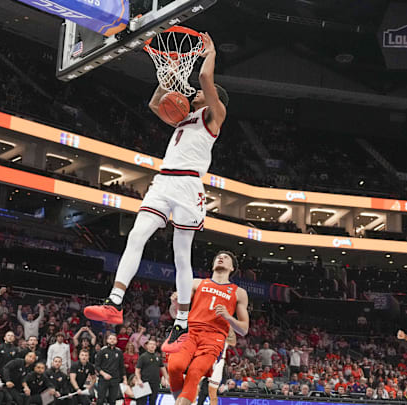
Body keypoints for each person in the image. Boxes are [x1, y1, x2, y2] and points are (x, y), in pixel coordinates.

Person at [84, 31, 230, 354]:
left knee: (181, 254)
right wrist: (171, 72)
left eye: (201, 92)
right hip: (163, 182)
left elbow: (206, 76)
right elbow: (154, 103)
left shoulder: (213, 117)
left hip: (189, 185)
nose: (194, 93)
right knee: (137, 235)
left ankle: (180, 325)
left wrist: (210, 53)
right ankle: (115, 302)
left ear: (212, 97)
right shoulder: (184, 116)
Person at [167, 251, 249, 405]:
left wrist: (228, 317)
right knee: (174, 367)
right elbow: (174, 314)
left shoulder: (239, 293)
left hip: (214, 337)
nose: (221, 258)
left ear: (232, 268)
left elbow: (244, 329)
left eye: (226, 258)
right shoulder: (196, 282)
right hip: (190, 330)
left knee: (195, 373)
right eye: (218, 257)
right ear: (213, 265)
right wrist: (174, 304)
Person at [94, 333, 127, 405]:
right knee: (100, 399)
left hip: (115, 379)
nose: (112, 340)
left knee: (113, 400)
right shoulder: (102, 351)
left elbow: (121, 366)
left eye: (114, 339)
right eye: (110, 339)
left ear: (116, 341)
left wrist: (125, 379)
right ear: (107, 340)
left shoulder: (119, 351)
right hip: (103, 379)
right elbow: (97, 366)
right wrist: (104, 374)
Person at [134, 339, 167, 405]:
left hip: (155, 382)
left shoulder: (158, 357)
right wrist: (139, 380)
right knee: (141, 402)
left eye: (154, 344)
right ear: (147, 346)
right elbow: (137, 370)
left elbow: (163, 368)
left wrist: (165, 378)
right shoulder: (143, 356)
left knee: (153, 401)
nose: (152, 346)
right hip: (144, 382)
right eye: (151, 344)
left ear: (156, 346)